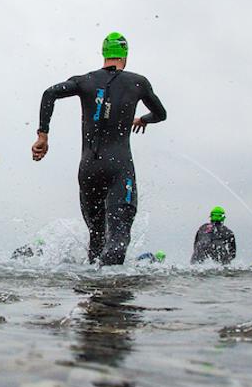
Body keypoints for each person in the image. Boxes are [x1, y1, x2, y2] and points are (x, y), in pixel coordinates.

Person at [31, 32, 168, 265]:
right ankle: (111, 296)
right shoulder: (138, 82)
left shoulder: (85, 80)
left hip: (89, 169)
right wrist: (143, 119)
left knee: (97, 238)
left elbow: (50, 93)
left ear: (104, 54)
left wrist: (43, 136)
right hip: (119, 168)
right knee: (117, 239)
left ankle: (92, 294)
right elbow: (161, 114)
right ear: (125, 56)